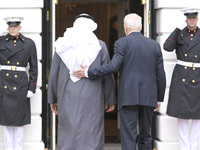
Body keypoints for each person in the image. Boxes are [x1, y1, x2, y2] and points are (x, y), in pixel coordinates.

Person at [73, 13, 166, 150]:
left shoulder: (121, 43)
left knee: (128, 135)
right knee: (146, 134)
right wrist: (159, 98)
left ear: (125, 27)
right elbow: (161, 75)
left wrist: (88, 72)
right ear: (140, 27)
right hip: (148, 96)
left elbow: (112, 67)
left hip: (129, 97)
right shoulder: (154, 45)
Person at [47, 13, 116, 150]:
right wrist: (110, 99)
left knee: (69, 133)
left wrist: (52, 99)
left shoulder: (62, 46)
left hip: (67, 97)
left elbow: (53, 74)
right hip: (93, 98)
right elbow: (107, 74)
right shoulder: (100, 46)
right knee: (92, 133)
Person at [163, 8, 200, 150]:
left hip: (197, 77)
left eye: (194, 17)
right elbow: (167, 47)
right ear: (185, 19)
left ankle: (195, 148)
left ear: (197, 19)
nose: (191, 20)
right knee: (182, 116)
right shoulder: (180, 33)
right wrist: (176, 30)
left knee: (197, 117)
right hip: (181, 77)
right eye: (189, 18)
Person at [0, 17, 38, 150]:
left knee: (19, 121)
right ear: (7, 28)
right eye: (11, 26)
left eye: (15, 26)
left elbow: (34, 67)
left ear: (20, 27)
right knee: (6, 121)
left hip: (21, 83)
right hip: (4, 82)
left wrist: (31, 87)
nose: (13, 28)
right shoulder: (0, 41)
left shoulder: (28, 43)